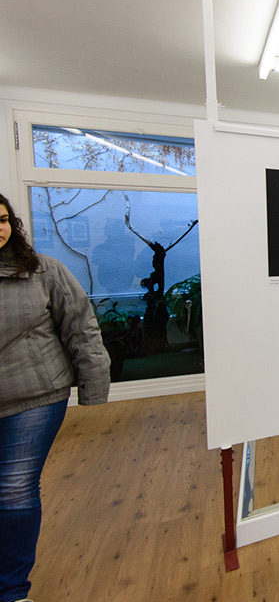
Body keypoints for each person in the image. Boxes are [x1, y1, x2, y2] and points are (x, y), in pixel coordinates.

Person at [0, 193, 111, 602]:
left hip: (34, 394)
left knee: (13, 488)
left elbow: (81, 326)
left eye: (2, 219)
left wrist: (93, 386)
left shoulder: (42, 270)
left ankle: (12, 591)